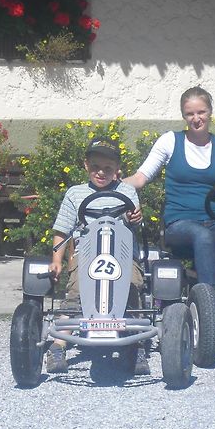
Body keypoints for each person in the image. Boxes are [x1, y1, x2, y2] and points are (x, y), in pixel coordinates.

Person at [124, 86, 215, 347]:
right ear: (183, 116)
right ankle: (213, 310)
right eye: (190, 114)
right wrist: (114, 186)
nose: (196, 118)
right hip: (180, 225)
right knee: (201, 236)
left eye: (201, 112)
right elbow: (141, 178)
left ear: (210, 112)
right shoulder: (170, 141)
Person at [47, 137, 149, 373]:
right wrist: (56, 260)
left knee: (132, 285)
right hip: (86, 252)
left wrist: (134, 217)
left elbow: (134, 219)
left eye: (107, 168)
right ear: (86, 166)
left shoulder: (127, 191)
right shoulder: (75, 194)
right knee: (77, 289)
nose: (101, 173)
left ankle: (136, 345)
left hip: (121, 253)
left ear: (117, 170)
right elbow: (62, 230)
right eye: (95, 167)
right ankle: (59, 343)